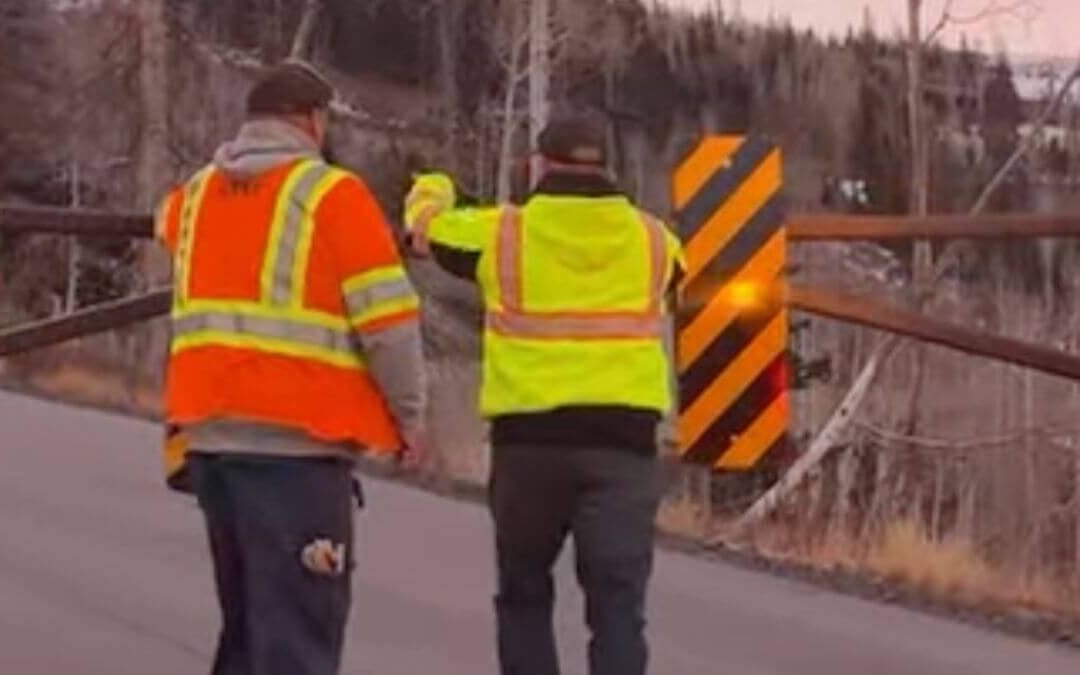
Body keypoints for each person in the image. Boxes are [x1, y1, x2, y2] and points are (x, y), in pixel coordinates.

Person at [154, 60, 426, 675]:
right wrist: (408, 419)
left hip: (212, 444)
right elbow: (388, 325)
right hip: (297, 451)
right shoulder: (335, 196)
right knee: (299, 642)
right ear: (312, 120)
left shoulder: (196, 196)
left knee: (247, 634)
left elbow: (162, 220)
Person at [403, 109, 685, 675]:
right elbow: (675, 281)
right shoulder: (658, 242)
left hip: (529, 447)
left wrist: (433, 186)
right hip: (624, 450)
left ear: (538, 165)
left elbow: (424, 231)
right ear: (607, 165)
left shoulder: (500, 232)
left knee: (525, 596)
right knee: (618, 611)